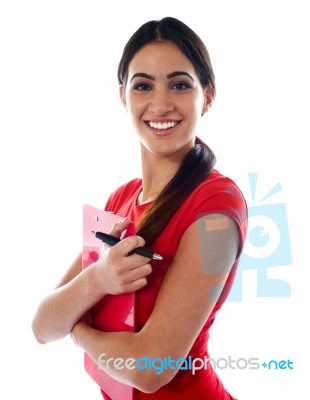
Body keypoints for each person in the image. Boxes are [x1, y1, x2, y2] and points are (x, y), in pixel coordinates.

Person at [32, 16, 247, 399]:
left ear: (208, 96)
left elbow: (151, 369)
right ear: (123, 97)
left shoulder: (216, 204)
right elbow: (43, 327)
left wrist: (78, 330)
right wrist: (96, 279)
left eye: (180, 85)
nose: (160, 104)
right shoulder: (120, 200)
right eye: (143, 85)